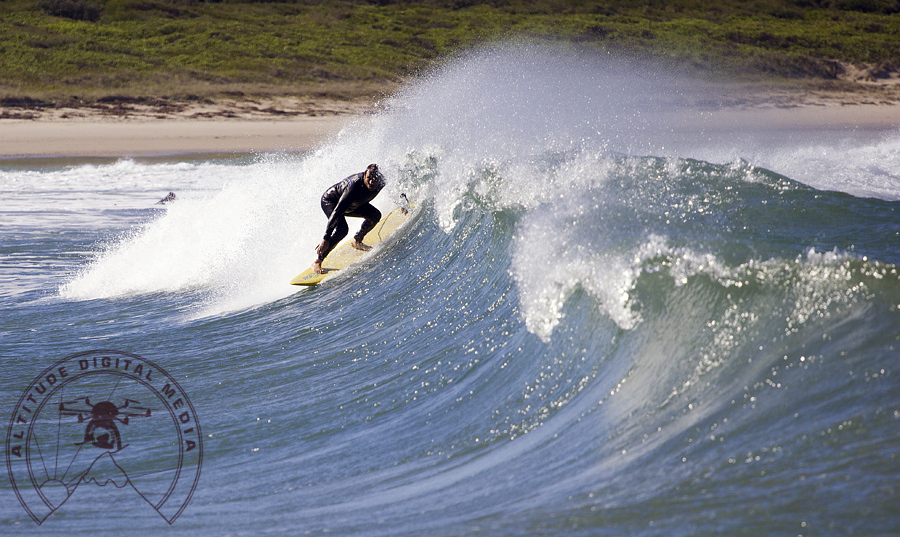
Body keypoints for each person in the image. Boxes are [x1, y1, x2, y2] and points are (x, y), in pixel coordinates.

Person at [312, 163, 386, 274]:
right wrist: (326, 238)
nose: (371, 182)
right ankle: (318, 261)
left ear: (379, 178)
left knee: (375, 215)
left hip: (354, 205)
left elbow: (396, 185)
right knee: (342, 230)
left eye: (374, 179)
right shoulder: (353, 187)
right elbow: (337, 212)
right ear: (364, 175)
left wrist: (402, 199)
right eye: (368, 178)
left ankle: (357, 240)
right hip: (332, 202)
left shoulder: (382, 181)